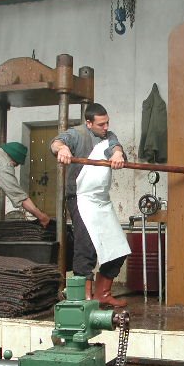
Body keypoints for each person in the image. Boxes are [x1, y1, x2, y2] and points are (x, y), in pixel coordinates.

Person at [51, 103, 130, 307]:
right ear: (88, 123)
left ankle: (102, 293)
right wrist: (63, 148)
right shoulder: (76, 134)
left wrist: (118, 154)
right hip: (80, 198)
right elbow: (57, 143)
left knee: (118, 248)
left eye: (107, 123)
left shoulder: (109, 136)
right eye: (101, 124)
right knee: (85, 246)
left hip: (101, 201)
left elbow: (116, 146)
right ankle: (82, 297)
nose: (105, 127)